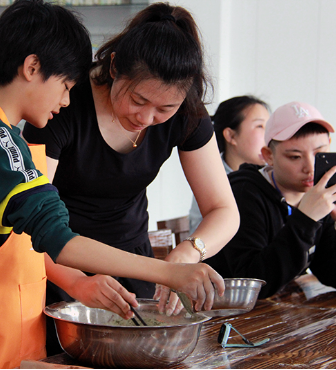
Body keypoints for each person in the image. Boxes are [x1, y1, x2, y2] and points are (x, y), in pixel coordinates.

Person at [0, 1, 226, 368]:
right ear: (32, 68)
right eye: (65, 86)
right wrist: (169, 272)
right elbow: (60, 240)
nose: (65, 101)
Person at [23, 2, 239, 356]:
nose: (147, 117)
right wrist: (76, 281)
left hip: (135, 264)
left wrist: (187, 254)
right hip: (58, 264)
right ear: (114, 67)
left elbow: (223, 210)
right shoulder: (62, 104)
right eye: (139, 100)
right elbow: (28, 224)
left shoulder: (186, 115)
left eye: (164, 109)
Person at [206, 101, 336, 298]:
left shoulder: (319, 196)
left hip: (282, 314)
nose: (309, 168)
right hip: (227, 312)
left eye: (320, 153)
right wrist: (305, 219)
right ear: (269, 156)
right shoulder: (243, 193)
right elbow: (253, 284)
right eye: (294, 157)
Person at [189, 96, 270, 231]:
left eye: (270, 126)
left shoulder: (269, 176)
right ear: (231, 136)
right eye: (260, 126)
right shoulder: (211, 177)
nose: (269, 135)